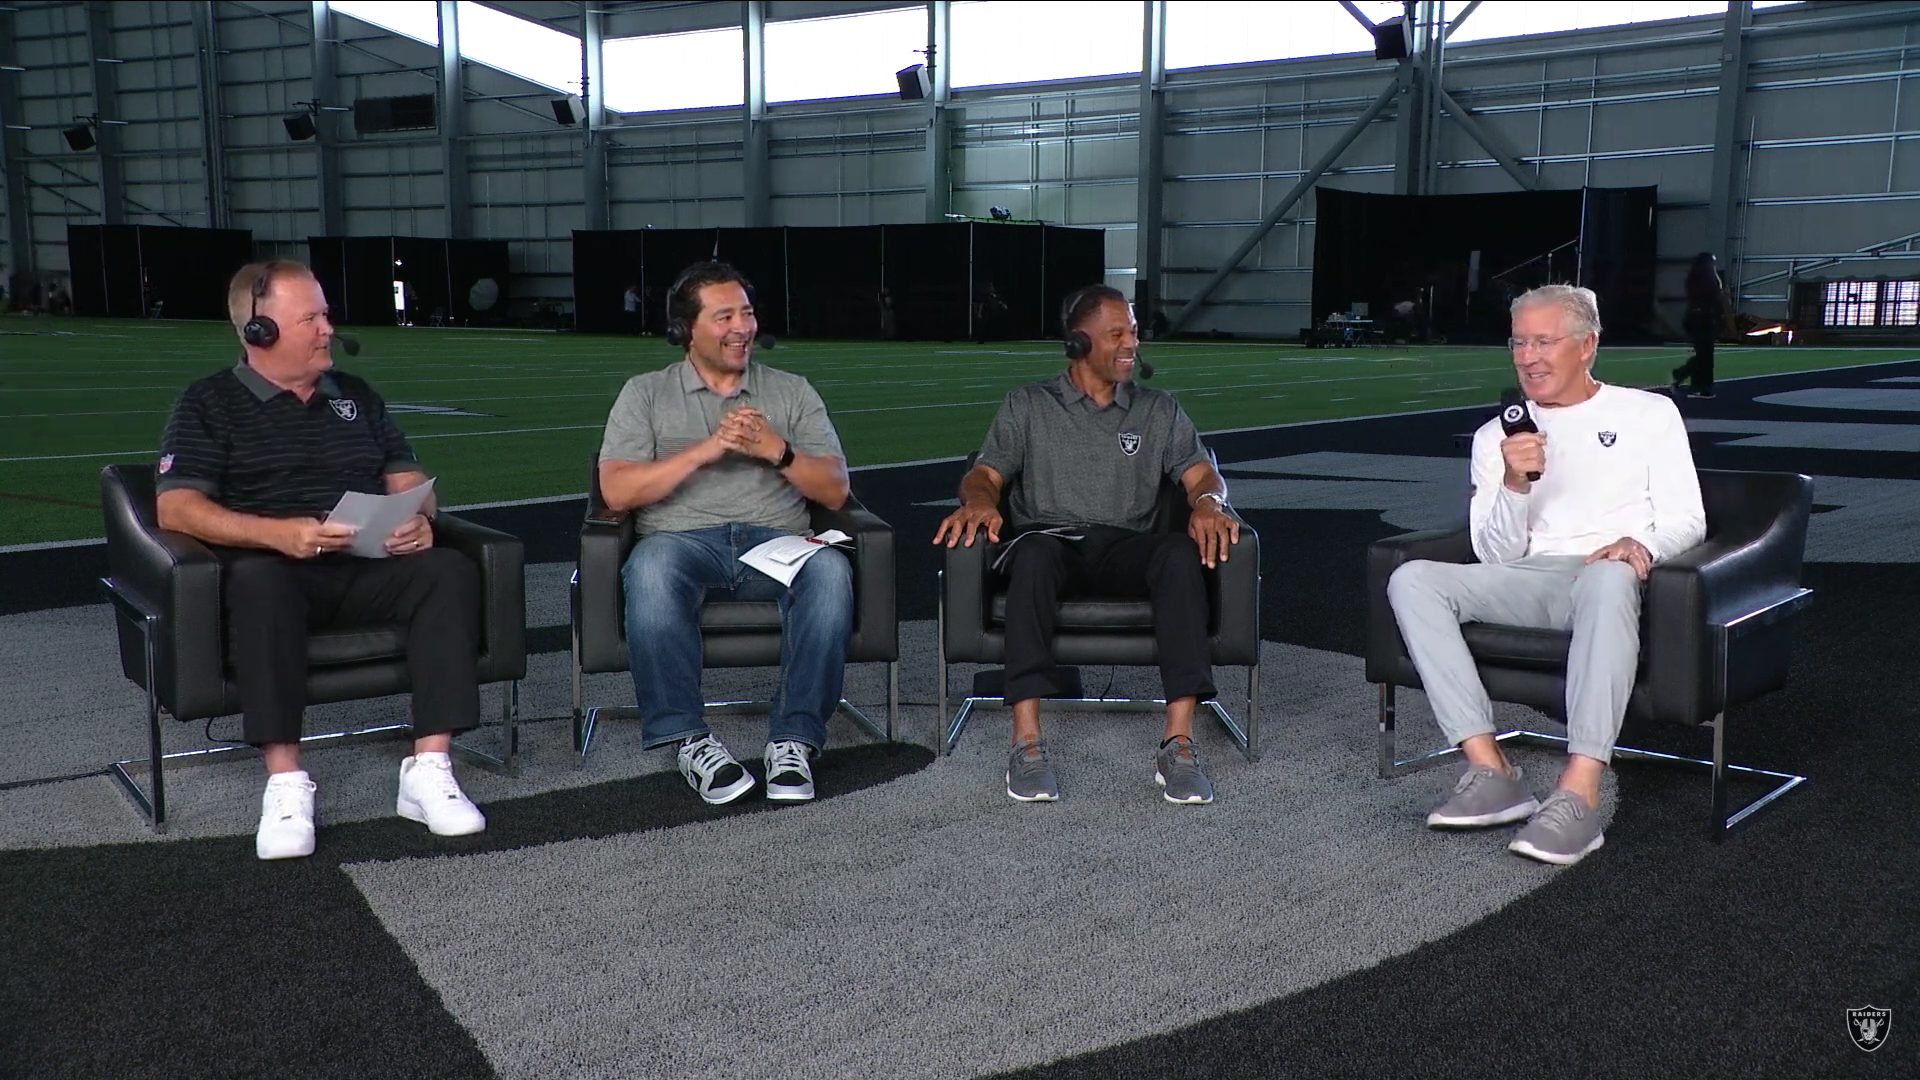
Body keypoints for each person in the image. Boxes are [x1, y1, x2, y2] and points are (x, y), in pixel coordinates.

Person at [155, 260, 488, 861]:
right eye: (309, 317)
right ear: (258, 332)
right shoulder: (207, 403)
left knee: (448, 570)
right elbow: (177, 509)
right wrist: (276, 534)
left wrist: (419, 519)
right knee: (260, 584)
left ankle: (429, 768)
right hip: (274, 570)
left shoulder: (356, 396)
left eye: (324, 315)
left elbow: (410, 479)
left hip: (364, 564)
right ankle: (285, 782)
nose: (326, 329)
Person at [1387, 283, 1705, 866]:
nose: (1528, 356)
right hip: (1533, 578)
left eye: (1543, 341)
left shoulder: (1648, 414)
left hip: (1612, 577)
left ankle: (1579, 792)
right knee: (1412, 580)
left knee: (1609, 576)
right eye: (1518, 343)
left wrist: (1641, 544)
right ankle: (1490, 770)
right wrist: (1513, 484)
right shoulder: (1497, 437)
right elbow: (1497, 556)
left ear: (1587, 345)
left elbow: (1689, 517)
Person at [933, 284, 1240, 804]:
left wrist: (1211, 502)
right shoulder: (1028, 405)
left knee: (1178, 554)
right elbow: (984, 474)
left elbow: (1201, 476)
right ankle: (1027, 741)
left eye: (1135, 332)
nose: (1131, 344)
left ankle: (1179, 742)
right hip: (1050, 542)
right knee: (1029, 556)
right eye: (1116, 333)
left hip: (1126, 545)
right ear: (1078, 343)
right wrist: (981, 501)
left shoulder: (1158, 410)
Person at [599, 261, 854, 806]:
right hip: (681, 541)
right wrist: (710, 448)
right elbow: (617, 493)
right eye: (725, 316)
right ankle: (689, 738)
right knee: (650, 569)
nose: (743, 326)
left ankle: (794, 739)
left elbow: (834, 491)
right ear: (685, 330)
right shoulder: (644, 394)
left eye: (748, 312)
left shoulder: (792, 391)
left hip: (776, 542)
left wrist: (776, 450)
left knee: (830, 571)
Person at [1671, 252, 1726, 398]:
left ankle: (1696, 382)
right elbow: (1714, 298)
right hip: (1702, 319)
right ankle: (1697, 384)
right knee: (1705, 355)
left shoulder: (1697, 277)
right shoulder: (1705, 279)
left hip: (1700, 318)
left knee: (1704, 355)